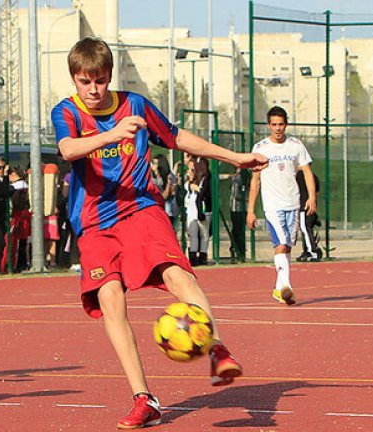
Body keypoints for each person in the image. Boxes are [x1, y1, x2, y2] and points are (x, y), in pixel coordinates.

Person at [51, 37, 267, 429]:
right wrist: (113, 134)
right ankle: (144, 398)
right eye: (85, 82)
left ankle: (216, 348)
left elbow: (177, 138)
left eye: (100, 80)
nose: (94, 89)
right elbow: (68, 149)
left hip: (140, 208)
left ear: (110, 76)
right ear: (74, 80)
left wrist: (235, 157)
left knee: (176, 273)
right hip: (95, 222)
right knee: (111, 299)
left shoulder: (135, 105)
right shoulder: (66, 111)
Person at [247, 106, 317, 306]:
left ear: (286, 124)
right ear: (269, 125)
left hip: (293, 203)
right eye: (274, 125)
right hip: (272, 205)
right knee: (282, 243)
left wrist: (311, 197)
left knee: (287, 247)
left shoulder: (296, 145)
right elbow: (255, 180)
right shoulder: (260, 148)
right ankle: (286, 285)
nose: (278, 128)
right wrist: (251, 210)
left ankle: (279, 289)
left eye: (281, 124)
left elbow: (307, 172)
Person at [295, 170, 322, 262]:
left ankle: (312, 252)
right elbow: (316, 192)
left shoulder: (300, 175)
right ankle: (307, 251)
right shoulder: (313, 176)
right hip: (308, 206)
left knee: (305, 228)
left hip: (304, 206)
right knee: (305, 229)